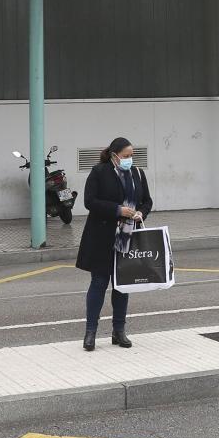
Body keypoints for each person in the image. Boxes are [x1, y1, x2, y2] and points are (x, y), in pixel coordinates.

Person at [76, 137, 153, 352]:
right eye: (126, 156)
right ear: (114, 155)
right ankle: (90, 332)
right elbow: (89, 201)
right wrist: (117, 210)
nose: (130, 159)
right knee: (99, 284)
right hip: (102, 236)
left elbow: (147, 201)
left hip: (128, 236)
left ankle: (119, 331)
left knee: (122, 285)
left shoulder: (137, 173)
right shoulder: (99, 172)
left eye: (132, 156)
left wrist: (140, 213)